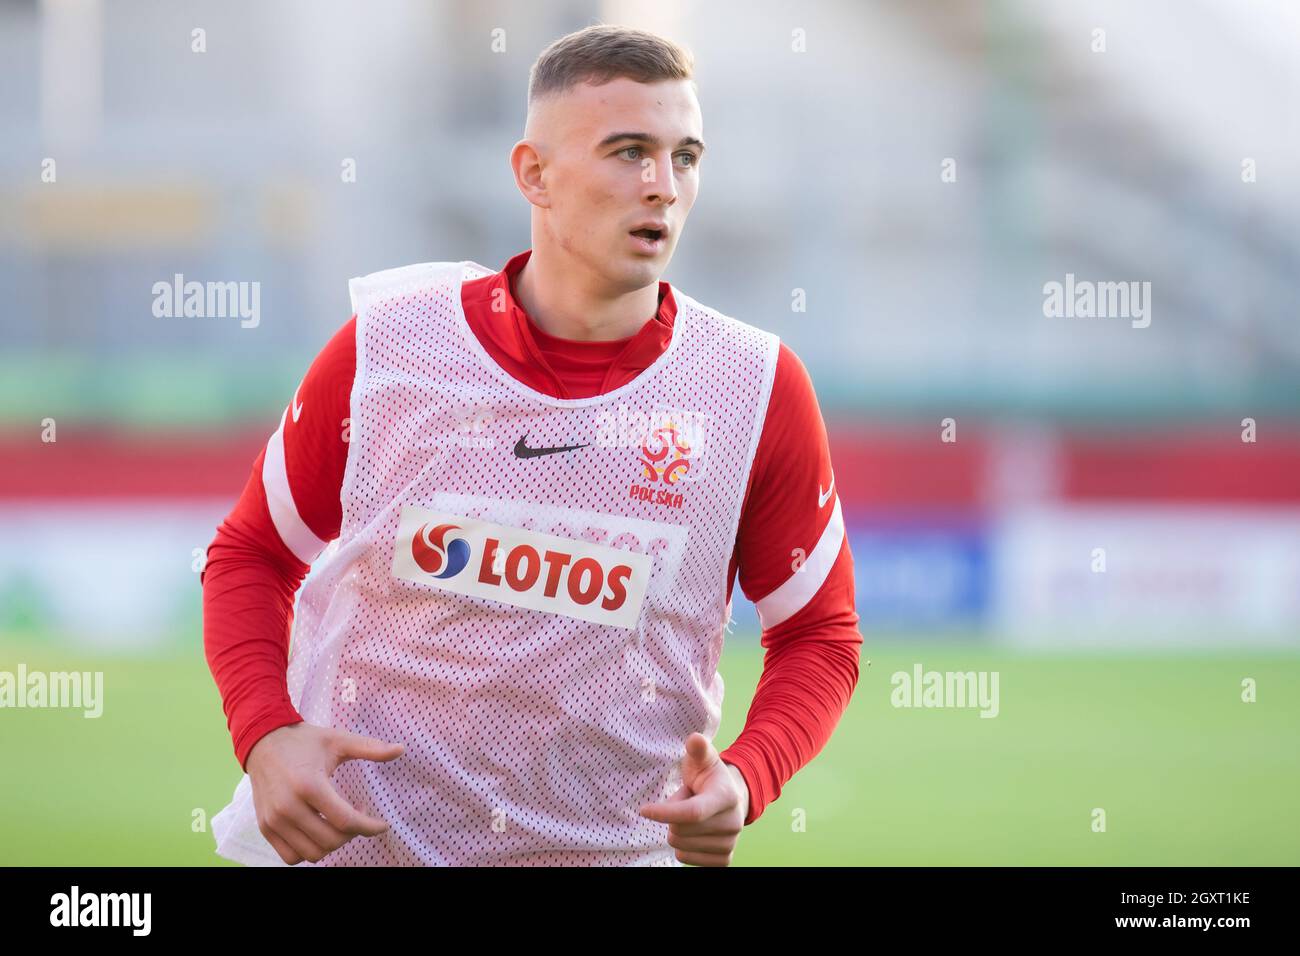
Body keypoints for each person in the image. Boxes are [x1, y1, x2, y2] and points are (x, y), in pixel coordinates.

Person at [203, 23, 861, 867]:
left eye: (685, 156)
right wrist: (267, 736)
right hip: (358, 853)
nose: (663, 185)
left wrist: (748, 775)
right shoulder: (388, 349)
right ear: (534, 175)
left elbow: (820, 635)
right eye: (628, 151)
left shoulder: (754, 386)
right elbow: (251, 554)